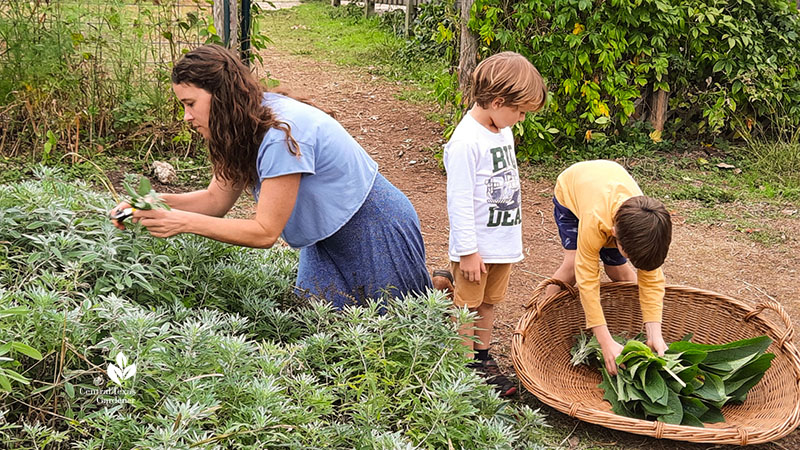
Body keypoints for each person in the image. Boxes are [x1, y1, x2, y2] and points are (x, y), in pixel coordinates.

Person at [110, 44, 432, 308]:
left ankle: (446, 295)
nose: (187, 116)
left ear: (219, 95)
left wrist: (181, 222)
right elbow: (214, 201)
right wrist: (152, 202)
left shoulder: (280, 134)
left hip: (374, 226)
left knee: (399, 336)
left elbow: (264, 233)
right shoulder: (239, 127)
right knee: (321, 335)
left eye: (191, 104)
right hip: (323, 239)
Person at [432, 52, 547, 396]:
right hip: (476, 248)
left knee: (489, 302)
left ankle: (482, 358)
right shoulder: (466, 141)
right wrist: (467, 252)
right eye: (520, 110)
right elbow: (460, 200)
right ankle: (462, 365)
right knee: (467, 306)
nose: (522, 118)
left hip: (502, 244)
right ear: (498, 101)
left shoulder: (502, 130)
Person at [544, 159, 673, 375]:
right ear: (613, 235)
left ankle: (635, 326)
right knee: (573, 266)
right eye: (629, 254)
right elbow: (587, 279)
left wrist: (654, 332)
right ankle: (543, 311)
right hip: (572, 192)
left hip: (609, 190)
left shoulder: (648, 227)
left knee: (618, 271)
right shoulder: (595, 221)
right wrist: (605, 342)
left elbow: (651, 279)